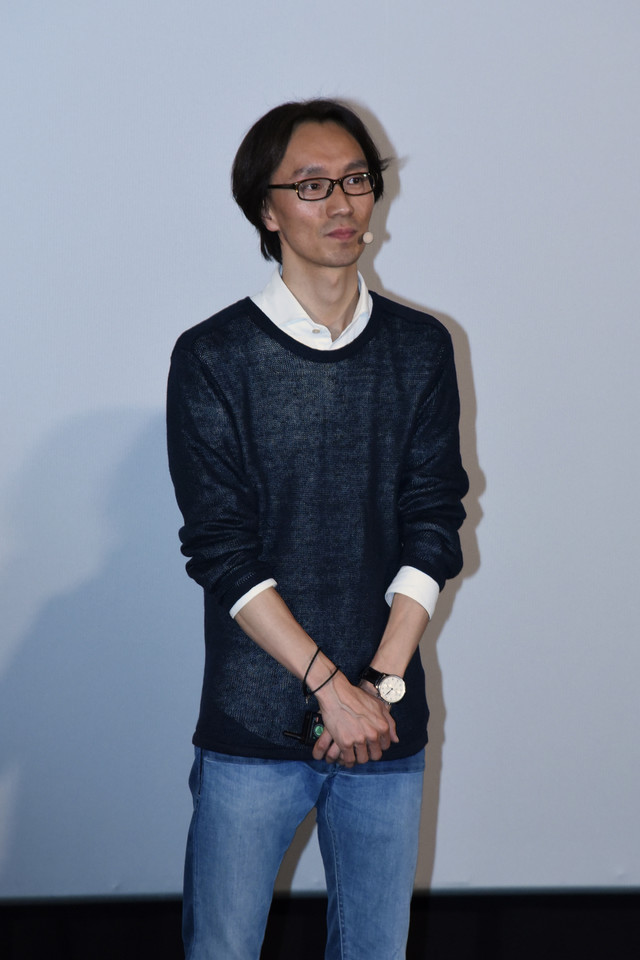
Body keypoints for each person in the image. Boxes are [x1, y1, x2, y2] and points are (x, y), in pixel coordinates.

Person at [166, 98, 468, 960]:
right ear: (266, 211)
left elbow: (434, 521)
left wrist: (379, 683)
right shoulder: (212, 357)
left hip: (384, 725)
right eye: (311, 185)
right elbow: (221, 551)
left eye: (357, 180)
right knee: (222, 949)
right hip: (253, 726)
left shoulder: (420, 347)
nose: (341, 203)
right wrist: (333, 689)